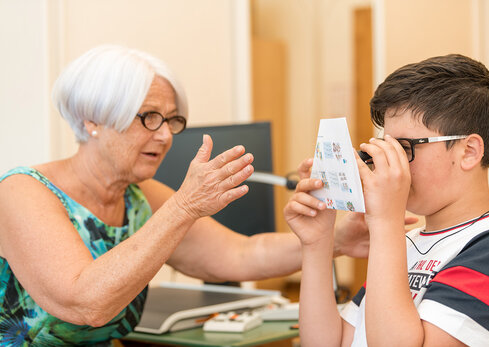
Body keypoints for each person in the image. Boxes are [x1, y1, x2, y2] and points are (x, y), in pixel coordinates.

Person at [0, 44, 378, 346]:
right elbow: (85, 304)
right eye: (148, 117)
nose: (165, 136)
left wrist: (337, 240)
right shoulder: (22, 191)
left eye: (172, 120)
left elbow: (240, 255)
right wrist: (184, 206)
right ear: (91, 121)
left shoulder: (139, 197)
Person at [285, 54, 489, 346]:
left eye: (404, 148)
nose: (390, 165)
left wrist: (386, 222)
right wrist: (318, 243)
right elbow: (329, 342)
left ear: (469, 151)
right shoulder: (408, 243)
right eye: (386, 148)